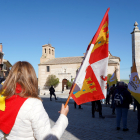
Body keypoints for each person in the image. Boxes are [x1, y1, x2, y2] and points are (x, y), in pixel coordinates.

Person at [0, 61, 69, 140]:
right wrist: (63, 117)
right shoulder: (33, 104)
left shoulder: (2, 98)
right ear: (32, 78)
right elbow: (48, 138)